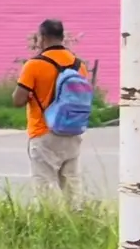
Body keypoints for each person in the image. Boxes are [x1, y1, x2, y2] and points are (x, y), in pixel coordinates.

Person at [12, 18, 95, 198]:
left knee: (45, 189)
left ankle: (51, 216)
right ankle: (77, 214)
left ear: (42, 37)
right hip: (72, 131)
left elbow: (18, 100)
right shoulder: (79, 65)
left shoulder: (34, 65)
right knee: (72, 187)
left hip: (43, 132)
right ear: (62, 37)